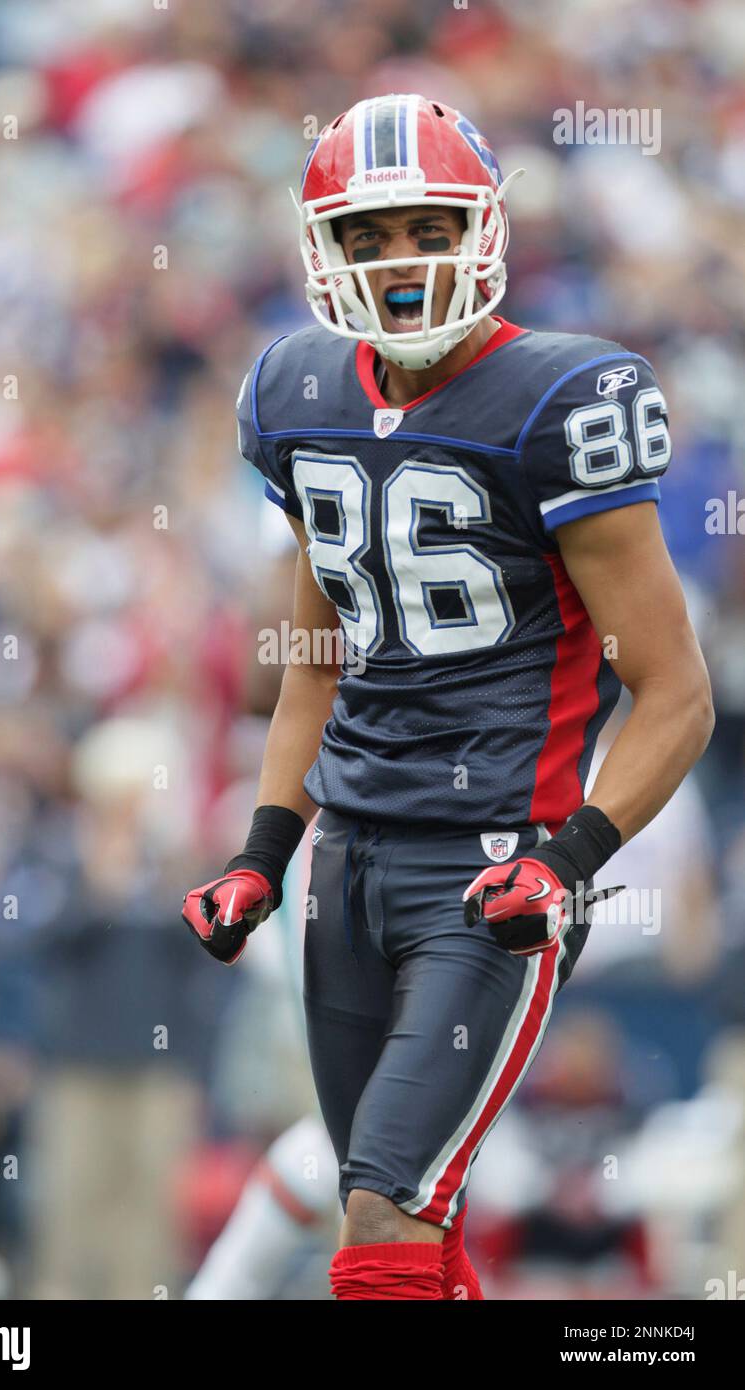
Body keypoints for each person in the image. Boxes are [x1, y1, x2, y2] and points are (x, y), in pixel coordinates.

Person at [182, 94, 714, 1301]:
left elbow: (674, 693)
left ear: (483, 226)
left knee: (384, 1201)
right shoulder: (292, 390)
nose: (399, 260)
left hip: (486, 874)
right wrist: (264, 852)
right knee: (404, 1223)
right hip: (347, 866)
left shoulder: (557, 396)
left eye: (424, 224)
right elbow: (310, 660)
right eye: (365, 235)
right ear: (320, 249)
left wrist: (568, 856)